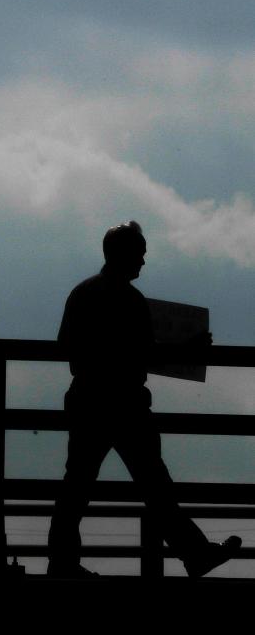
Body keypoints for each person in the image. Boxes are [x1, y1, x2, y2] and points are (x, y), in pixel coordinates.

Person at [47, 221, 239, 578]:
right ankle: (194, 553)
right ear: (125, 255)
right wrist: (189, 349)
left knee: (76, 485)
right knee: (155, 485)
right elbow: (146, 355)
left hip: (87, 397)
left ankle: (61, 562)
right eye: (140, 254)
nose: (143, 262)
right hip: (126, 403)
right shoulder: (130, 299)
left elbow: (64, 345)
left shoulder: (82, 292)